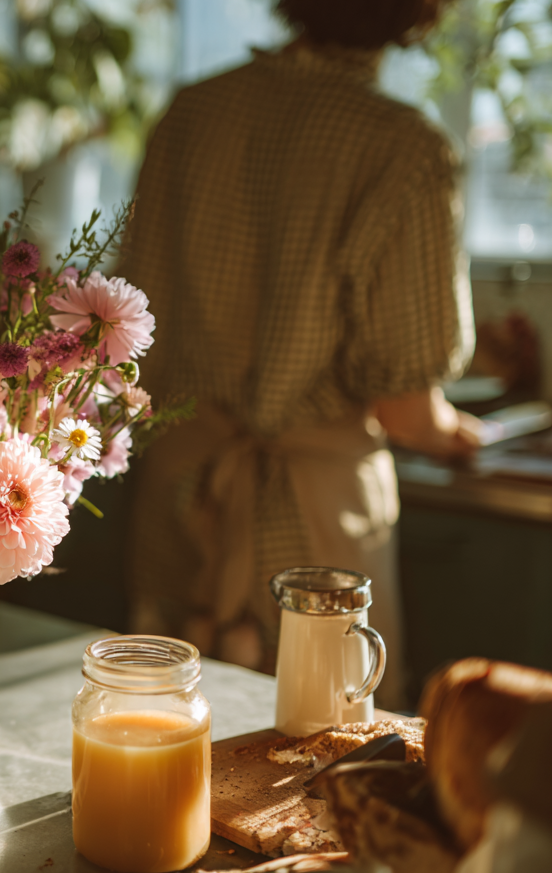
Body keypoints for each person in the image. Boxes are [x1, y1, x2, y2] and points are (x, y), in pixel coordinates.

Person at [116, 0, 483, 705]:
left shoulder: (191, 113)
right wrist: (454, 434)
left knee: (163, 728)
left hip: (182, 494)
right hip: (316, 531)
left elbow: (131, 326)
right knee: (322, 744)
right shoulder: (403, 145)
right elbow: (407, 411)